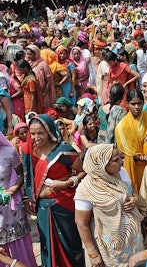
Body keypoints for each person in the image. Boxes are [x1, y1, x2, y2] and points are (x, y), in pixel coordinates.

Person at [25, 114, 85, 267]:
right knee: (48, 248)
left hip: (63, 205)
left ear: (49, 131)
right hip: (43, 208)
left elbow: (84, 171)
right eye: (32, 133)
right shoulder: (32, 152)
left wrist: (66, 183)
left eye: (40, 133)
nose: (36, 137)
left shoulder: (63, 151)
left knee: (69, 245)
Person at [75, 144, 144, 266]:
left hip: (133, 242)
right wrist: (93, 254)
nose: (121, 162)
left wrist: (134, 199)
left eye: (120, 158)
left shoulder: (121, 173)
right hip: (109, 248)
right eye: (115, 160)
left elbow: (131, 191)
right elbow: (81, 224)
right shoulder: (86, 188)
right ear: (101, 163)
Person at [0, 132, 37, 267]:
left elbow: (22, 175)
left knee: (17, 242)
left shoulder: (9, 152)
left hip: (10, 208)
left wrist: (11, 190)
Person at [115, 89, 147, 192]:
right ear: (127, 104)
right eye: (133, 104)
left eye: (139, 103)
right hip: (134, 167)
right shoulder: (122, 126)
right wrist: (145, 157)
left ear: (143, 103)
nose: (136, 107)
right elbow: (129, 152)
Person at [25, 44, 56, 109]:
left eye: (30, 54)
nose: (28, 56)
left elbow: (49, 81)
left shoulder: (43, 65)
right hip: (32, 92)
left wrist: (43, 93)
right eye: (27, 54)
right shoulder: (28, 64)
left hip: (42, 92)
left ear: (36, 54)